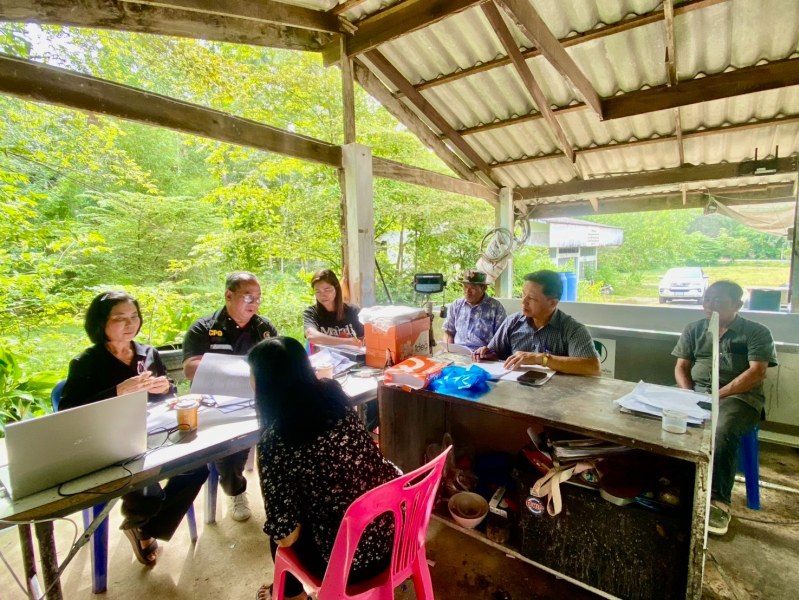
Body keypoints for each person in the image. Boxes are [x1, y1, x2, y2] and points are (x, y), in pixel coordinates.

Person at [60, 292, 208, 566]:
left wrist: (166, 389)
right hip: (109, 441)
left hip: (153, 433)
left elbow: (166, 399)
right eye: (120, 318)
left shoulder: (148, 354)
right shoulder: (86, 363)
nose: (130, 324)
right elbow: (67, 412)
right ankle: (142, 527)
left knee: (197, 467)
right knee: (143, 484)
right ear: (100, 323)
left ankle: (143, 526)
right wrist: (116, 392)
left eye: (134, 316)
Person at [249, 337, 401, 600]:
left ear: (265, 384)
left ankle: (293, 595)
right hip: (395, 540)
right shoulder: (334, 397)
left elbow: (286, 537)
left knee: (277, 533)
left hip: (348, 569)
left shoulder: (274, 442)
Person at [672, 280, 777, 536]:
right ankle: (668, 481)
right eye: (707, 299)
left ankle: (718, 501)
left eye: (718, 300)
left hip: (739, 398)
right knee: (654, 413)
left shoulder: (755, 332)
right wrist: (688, 395)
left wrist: (717, 396)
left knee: (722, 428)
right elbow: (681, 367)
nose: (710, 305)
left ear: (738, 305)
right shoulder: (694, 329)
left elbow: (757, 372)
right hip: (697, 392)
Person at [182, 271, 278, 522]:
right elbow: (190, 369)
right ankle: (235, 490)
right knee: (230, 443)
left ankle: (280, 490)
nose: (254, 303)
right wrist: (236, 367)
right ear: (228, 296)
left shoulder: (264, 327)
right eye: (248, 297)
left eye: (258, 298)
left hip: (256, 399)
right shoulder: (204, 328)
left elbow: (277, 361)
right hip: (216, 402)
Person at [473, 270, 601, 376]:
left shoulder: (572, 329)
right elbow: (494, 353)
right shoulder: (512, 322)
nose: (524, 302)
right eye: (523, 295)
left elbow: (593, 368)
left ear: (553, 303)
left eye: (532, 298)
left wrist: (540, 358)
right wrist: (486, 354)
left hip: (555, 394)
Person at [441, 269, 507, 351]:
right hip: (457, 352)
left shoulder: (496, 308)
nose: (467, 291)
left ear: (483, 288)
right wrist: (448, 349)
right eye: (465, 287)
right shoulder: (456, 305)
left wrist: (489, 351)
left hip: (482, 355)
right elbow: (448, 332)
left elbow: (502, 340)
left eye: (472, 288)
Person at [303, 269, 364, 348]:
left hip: (349, 354)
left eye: (327, 290)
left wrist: (359, 343)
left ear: (336, 289)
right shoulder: (311, 312)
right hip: (323, 355)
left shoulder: (352, 311)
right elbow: (311, 335)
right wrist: (346, 342)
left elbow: (364, 337)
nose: (322, 295)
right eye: (318, 291)